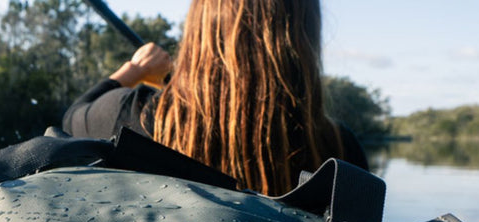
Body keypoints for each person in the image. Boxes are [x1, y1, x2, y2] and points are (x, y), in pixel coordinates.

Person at [62, 0, 369, 196]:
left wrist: (136, 68)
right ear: (306, 38)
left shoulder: (134, 116)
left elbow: (74, 116)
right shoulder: (342, 152)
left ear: (198, 29)